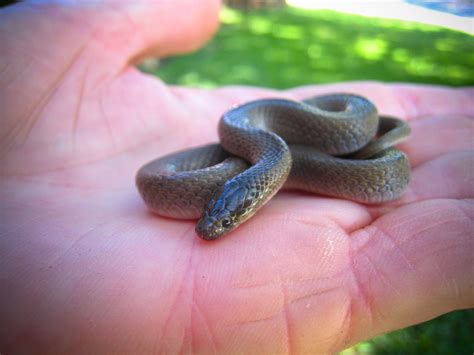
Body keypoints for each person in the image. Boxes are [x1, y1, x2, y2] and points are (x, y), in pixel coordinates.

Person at [0, 1, 472, 353]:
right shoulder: (250, 148)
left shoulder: (265, 149)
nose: (213, 225)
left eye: (223, 219)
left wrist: (368, 144)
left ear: (253, 199)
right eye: (219, 215)